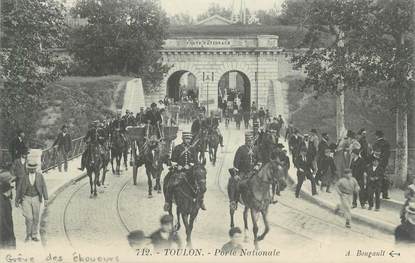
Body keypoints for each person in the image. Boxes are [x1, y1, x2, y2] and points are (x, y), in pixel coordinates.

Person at [164, 132, 206, 211]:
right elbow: (173, 160)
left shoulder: (193, 149)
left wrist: (190, 165)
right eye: (186, 139)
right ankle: (167, 202)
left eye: (189, 139)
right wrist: (177, 166)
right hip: (179, 171)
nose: (188, 140)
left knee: (200, 184)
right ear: (183, 139)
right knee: (170, 183)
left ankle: (201, 201)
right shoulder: (177, 148)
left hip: (190, 172)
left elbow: (196, 161)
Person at [15, 160, 48, 242]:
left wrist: (46, 199)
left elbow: (44, 187)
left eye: (33, 169)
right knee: (29, 217)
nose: (32, 170)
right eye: (30, 169)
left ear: (35, 169)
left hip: (36, 198)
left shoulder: (40, 176)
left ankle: (34, 235)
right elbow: (19, 189)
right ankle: (28, 235)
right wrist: (16, 199)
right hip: (26, 198)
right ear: (28, 169)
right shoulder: (24, 177)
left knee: (36, 217)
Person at [229, 132, 261, 207]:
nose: (250, 142)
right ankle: (234, 201)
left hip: (253, 172)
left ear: (253, 140)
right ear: (245, 140)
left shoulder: (256, 149)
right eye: (248, 140)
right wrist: (236, 174)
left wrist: (257, 166)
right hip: (243, 172)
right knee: (237, 184)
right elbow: (236, 162)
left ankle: (265, 199)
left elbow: (260, 160)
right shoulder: (241, 149)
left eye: (251, 140)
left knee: (263, 182)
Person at [372, 130, 391, 199]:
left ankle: (377, 193)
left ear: (377, 136)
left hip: (378, 163)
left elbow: (375, 154)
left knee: (378, 178)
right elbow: (388, 154)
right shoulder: (387, 143)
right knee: (385, 178)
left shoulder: (376, 143)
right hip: (385, 163)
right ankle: (385, 194)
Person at [0, 181, 16, 249]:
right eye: (10, 189)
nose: (11, 191)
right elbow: (2, 217)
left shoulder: (5, 199)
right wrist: (8, 229)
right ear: (7, 190)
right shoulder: (2, 201)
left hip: (7, 229)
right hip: (5, 231)